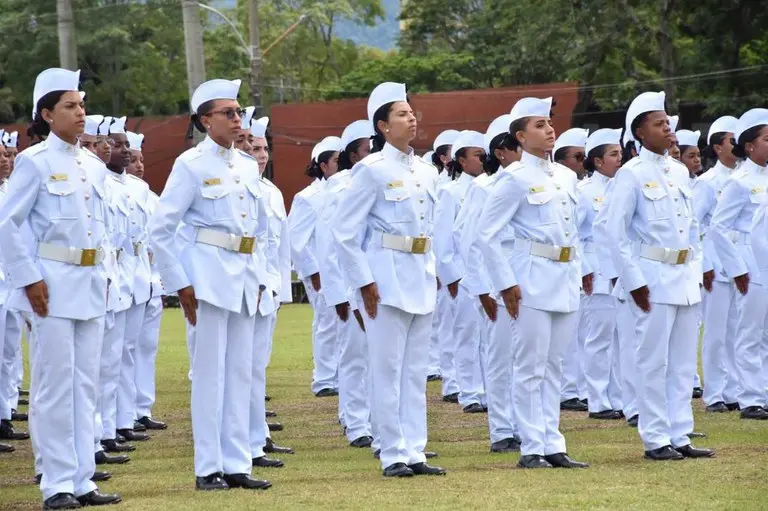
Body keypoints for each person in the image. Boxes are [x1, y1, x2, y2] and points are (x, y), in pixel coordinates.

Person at [0, 68, 121, 509]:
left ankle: (83, 478)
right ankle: (56, 483)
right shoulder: (35, 162)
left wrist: (107, 276)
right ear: (48, 114)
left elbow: (103, 229)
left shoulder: (93, 165)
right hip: (50, 283)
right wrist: (28, 277)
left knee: (85, 385)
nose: (80, 113)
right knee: (54, 386)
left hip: (89, 283)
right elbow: (7, 224)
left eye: (82, 105)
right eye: (70, 106)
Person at [149, 78, 272, 490]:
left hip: (245, 276)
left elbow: (258, 229)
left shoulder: (247, 165)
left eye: (239, 112)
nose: (238, 120)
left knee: (240, 372)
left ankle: (237, 463)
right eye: (228, 113)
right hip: (207, 278)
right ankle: (207, 467)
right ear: (205, 121)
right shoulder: (191, 164)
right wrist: (180, 282)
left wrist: (261, 277)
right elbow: (161, 228)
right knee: (209, 375)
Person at [331, 82, 445, 478]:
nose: (411, 118)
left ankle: (415, 450)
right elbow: (345, 232)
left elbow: (431, 229)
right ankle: (392, 451)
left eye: (411, 112)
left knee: (415, 372)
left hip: (420, 274)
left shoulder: (427, 171)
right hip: (385, 279)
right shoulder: (371, 170)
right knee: (386, 369)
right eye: (401, 114)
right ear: (382, 126)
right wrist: (363, 282)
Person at [477, 97, 588, 469]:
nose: (549, 129)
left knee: (555, 366)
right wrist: (505, 283)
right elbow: (486, 235)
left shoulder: (566, 177)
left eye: (549, 123)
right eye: (539, 125)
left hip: (564, 277)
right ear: (521, 137)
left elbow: (575, 232)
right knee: (529, 367)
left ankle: (552, 442)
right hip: (530, 279)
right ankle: (531, 447)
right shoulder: (513, 178)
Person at [606, 91, 713, 460]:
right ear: (640, 132)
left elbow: (693, 228)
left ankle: (680, 433)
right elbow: (614, 233)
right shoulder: (631, 174)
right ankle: (655, 438)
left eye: (668, 122)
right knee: (653, 361)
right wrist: (633, 281)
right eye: (658, 123)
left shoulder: (680, 171)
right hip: (651, 278)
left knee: (683, 364)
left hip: (683, 278)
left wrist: (696, 270)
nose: (668, 129)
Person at [462, 113, 522, 452]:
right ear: (501, 152)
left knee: (528, 362)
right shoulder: (484, 187)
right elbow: (471, 241)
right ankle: (502, 430)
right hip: (497, 288)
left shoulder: (534, 182)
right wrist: (482, 290)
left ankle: (525, 426)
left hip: (528, 282)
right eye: (517, 147)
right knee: (500, 360)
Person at [317, 120, 375, 450]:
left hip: (380, 282)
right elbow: (329, 246)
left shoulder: (380, 179)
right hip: (352, 287)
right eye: (368, 149)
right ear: (353, 156)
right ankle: (356, 424)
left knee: (382, 360)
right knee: (355, 357)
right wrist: (339, 296)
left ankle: (380, 424)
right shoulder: (338, 189)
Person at [710, 109, 768, 420]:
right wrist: (736, 269)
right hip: (750, 262)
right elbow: (718, 227)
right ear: (750, 146)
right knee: (750, 333)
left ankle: (764, 391)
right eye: (767, 139)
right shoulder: (739, 181)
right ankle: (751, 398)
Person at [245, 113, 295, 459]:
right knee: (240, 367)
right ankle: (246, 438)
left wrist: (280, 290)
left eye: (264, 149)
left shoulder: (272, 192)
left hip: (268, 289)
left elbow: (281, 248)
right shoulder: (240, 189)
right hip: (243, 286)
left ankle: (257, 434)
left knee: (257, 366)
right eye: (254, 148)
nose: (261, 155)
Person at [435, 130, 487, 413]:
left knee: (489, 336)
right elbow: (443, 239)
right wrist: (452, 276)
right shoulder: (451, 192)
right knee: (466, 333)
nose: (483, 160)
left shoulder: (493, 186)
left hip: (489, 274)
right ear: (462, 161)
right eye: (477, 155)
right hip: (464, 274)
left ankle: (488, 390)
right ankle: (469, 392)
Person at [694, 115, 742, 413]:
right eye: (732, 141)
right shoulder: (707, 183)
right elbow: (695, 226)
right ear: (717, 147)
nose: (737, 146)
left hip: (743, 265)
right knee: (715, 333)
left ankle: (735, 390)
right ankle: (714, 393)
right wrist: (706, 264)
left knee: (738, 332)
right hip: (717, 268)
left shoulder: (746, 178)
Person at [576, 129, 624, 420]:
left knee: (621, 339)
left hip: (621, 271)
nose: (619, 159)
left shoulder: (624, 187)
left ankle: (618, 397)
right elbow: (574, 234)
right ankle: (597, 400)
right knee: (599, 338)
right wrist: (585, 269)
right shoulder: (584, 192)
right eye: (613, 154)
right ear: (597, 161)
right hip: (597, 273)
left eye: (620, 153)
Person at [288, 138, 341, 398]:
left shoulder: (343, 190)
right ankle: (324, 379)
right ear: (323, 165)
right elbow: (296, 240)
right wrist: (314, 272)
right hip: (320, 271)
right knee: (327, 322)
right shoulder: (308, 198)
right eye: (337, 161)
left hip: (341, 269)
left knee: (344, 323)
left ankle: (340, 375)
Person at [125, 130, 167, 431]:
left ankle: (142, 408)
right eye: (133, 160)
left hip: (150, 280)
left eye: (141, 160)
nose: (139, 166)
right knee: (125, 350)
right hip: (126, 280)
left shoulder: (150, 197)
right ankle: (124, 414)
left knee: (147, 348)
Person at [553, 127, 591, 412]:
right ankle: (567, 390)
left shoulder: (577, 187)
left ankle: (576, 388)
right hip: (554, 268)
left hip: (574, 268)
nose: (583, 162)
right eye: (578, 157)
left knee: (577, 336)